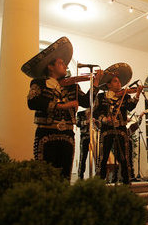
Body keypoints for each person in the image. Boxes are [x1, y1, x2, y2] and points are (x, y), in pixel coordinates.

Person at [22, 36, 103, 181]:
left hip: (67, 135)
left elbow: (86, 102)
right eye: (60, 63)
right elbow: (32, 102)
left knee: (64, 176)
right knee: (44, 177)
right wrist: (62, 105)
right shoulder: (39, 83)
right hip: (46, 133)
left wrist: (95, 84)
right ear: (50, 66)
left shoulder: (73, 85)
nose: (65, 65)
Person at [93, 63, 143, 185]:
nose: (119, 84)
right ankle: (100, 183)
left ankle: (126, 181)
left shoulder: (124, 96)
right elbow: (95, 112)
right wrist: (104, 119)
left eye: (119, 82)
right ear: (109, 84)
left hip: (121, 129)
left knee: (124, 157)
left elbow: (131, 107)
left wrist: (137, 94)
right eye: (115, 81)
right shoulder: (101, 96)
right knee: (103, 157)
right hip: (106, 130)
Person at [76, 108, 90, 179]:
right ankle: (80, 176)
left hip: (95, 137)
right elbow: (77, 123)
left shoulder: (97, 114)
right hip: (84, 137)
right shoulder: (80, 113)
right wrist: (86, 122)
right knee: (83, 157)